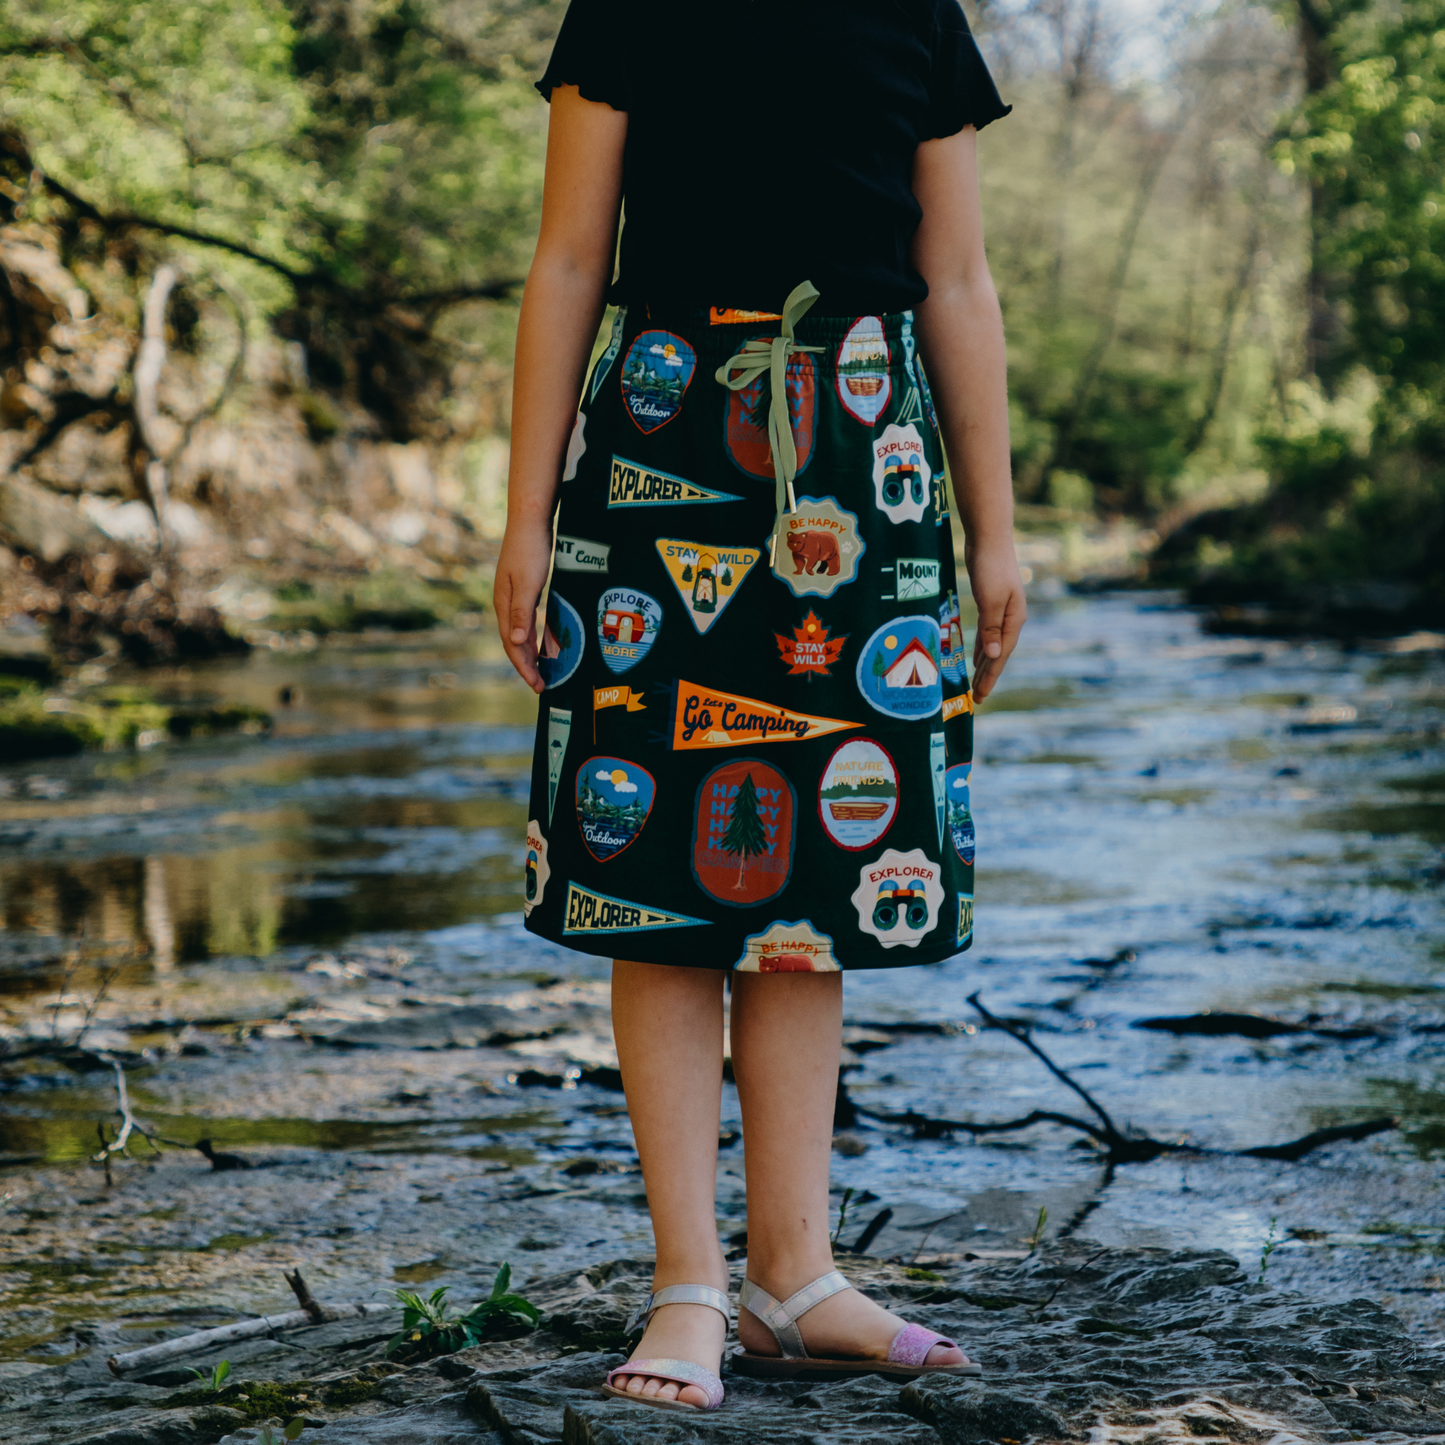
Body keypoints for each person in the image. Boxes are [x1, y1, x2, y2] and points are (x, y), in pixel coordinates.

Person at [496, 0, 1025, 1414]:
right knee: (652, 867)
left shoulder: (917, 13)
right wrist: (523, 518)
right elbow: (564, 261)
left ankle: (795, 1274)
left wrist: (999, 533)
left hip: (866, 454)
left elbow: (958, 280)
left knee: (816, 882)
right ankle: (689, 1281)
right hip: (661, 430)